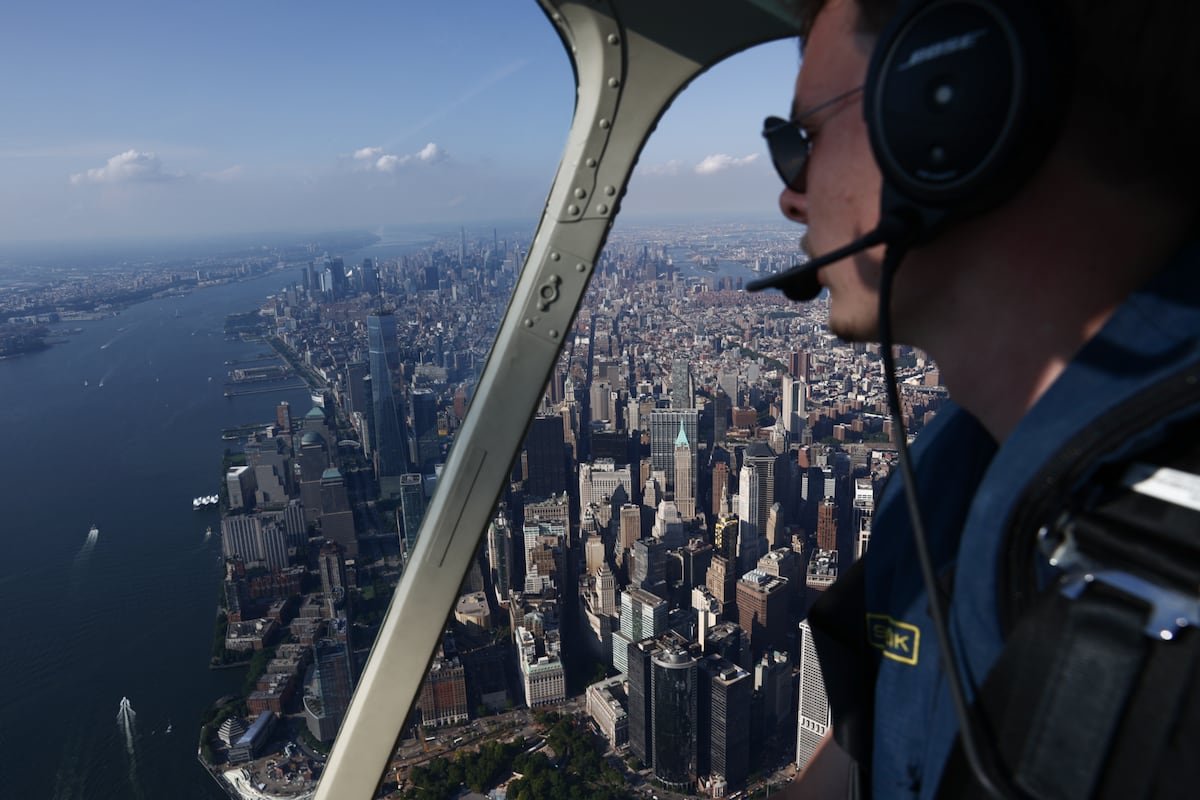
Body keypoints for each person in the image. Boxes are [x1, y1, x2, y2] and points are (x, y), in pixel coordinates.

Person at [765, 0, 1200, 797]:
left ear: (957, 104)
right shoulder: (946, 470)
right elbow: (861, 758)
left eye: (802, 141)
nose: (792, 198)